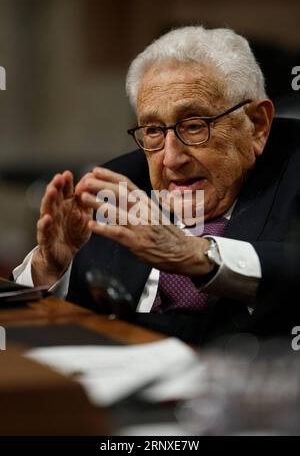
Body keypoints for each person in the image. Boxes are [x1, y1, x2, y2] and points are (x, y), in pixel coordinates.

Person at [13, 26, 300, 344]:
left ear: (257, 125)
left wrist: (196, 256)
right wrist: (51, 268)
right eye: (152, 131)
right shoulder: (115, 188)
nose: (171, 158)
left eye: (194, 126)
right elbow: (37, 331)